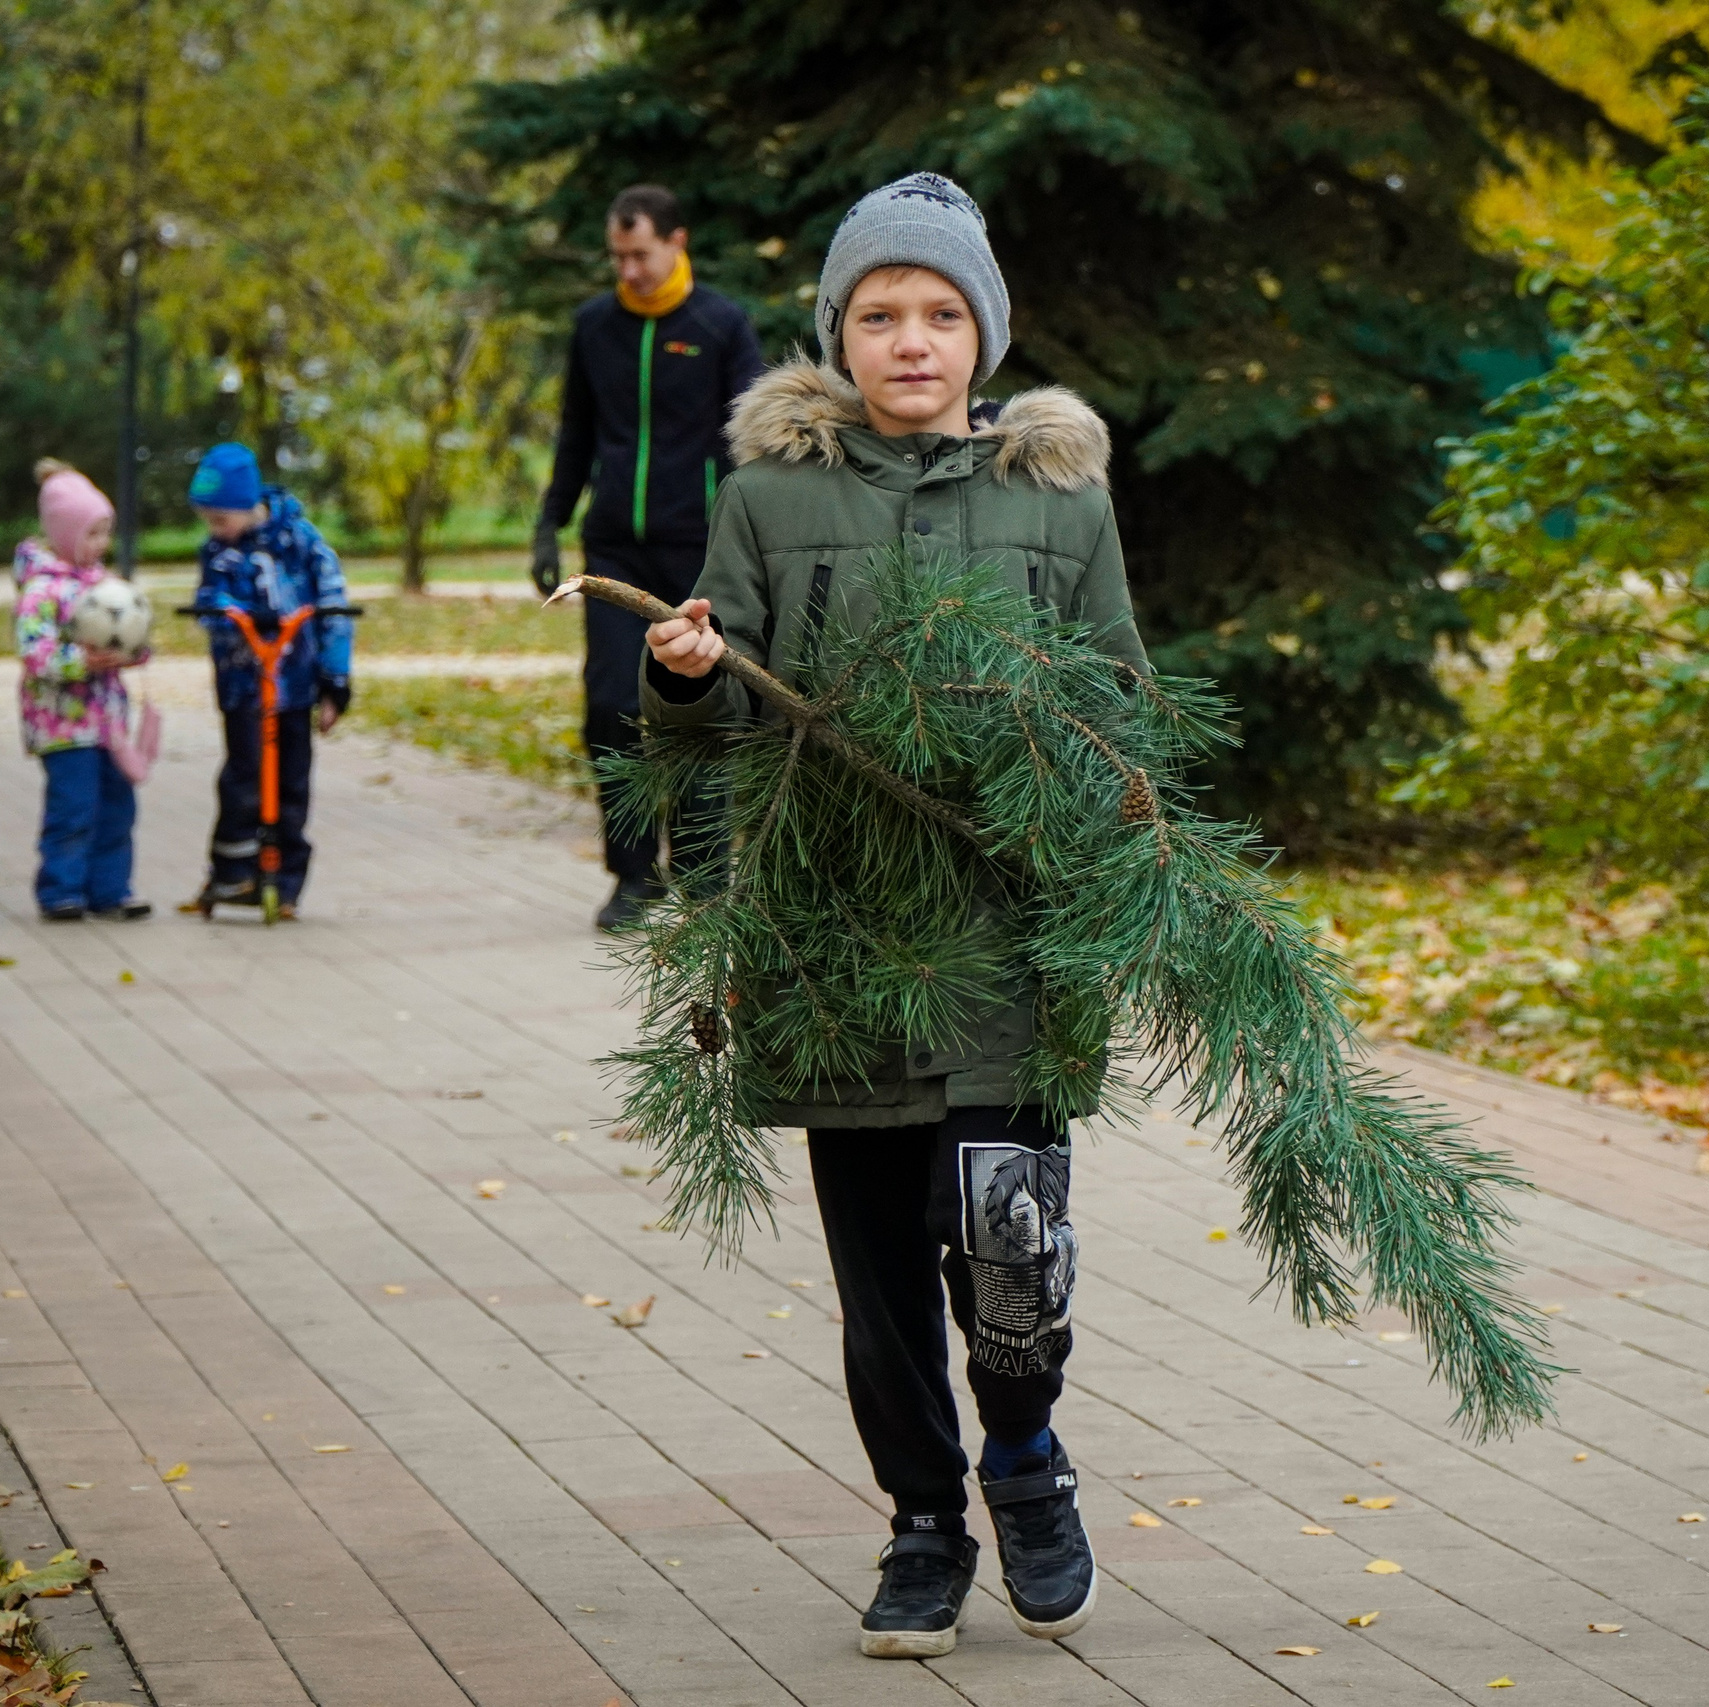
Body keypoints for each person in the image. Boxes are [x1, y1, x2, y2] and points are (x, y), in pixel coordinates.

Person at [639, 173, 1145, 1660]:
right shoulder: (770, 498)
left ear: (982, 333)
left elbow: (1122, 698)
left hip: (1008, 936)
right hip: (835, 940)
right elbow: (706, 723)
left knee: (1006, 1241)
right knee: (877, 1272)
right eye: (879, 314)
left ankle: (1028, 1462)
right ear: (837, 335)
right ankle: (924, 1519)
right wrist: (684, 670)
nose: (909, 340)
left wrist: (1085, 787)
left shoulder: (1056, 498)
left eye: (939, 313)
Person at [532, 183, 763, 931]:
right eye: (618, 255)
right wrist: (548, 525)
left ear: (676, 242)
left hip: (698, 549)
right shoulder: (595, 326)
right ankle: (632, 875)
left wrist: (748, 547)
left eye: (640, 253)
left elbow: (748, 447)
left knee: (694, 709)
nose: (627, 269)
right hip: (613, 549)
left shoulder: (721, 325)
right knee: (611, 706)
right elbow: (575, 434)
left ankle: (701, 873)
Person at [182, 441, 352, 921]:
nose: (216, 530)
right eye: (209, 521)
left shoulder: (302, 542)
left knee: (293, 783)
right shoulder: (218, 553)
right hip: (244, 689)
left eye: (221, 518)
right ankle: (233, 873)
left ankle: (286, 881)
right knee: (243, 778)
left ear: (247, 504)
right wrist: (228, 615)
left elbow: (334, 606)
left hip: (295, 687)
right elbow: (209, 602)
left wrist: (335, 681)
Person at [14, 459, 152, 922]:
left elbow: (135, 635)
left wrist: (134, 652)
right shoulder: (41, 590)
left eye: (105, 532)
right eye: (91, 533)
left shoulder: (108, 586)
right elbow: (34, 653)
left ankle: (111, 890)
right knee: (74, 807)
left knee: (117, 806)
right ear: (64, 533)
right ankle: (61, 890)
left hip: (108, 722)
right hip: (62, 723)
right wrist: (80, 662)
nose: (101, 544)